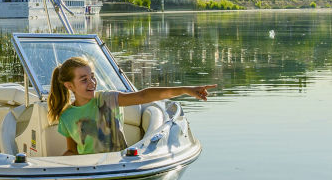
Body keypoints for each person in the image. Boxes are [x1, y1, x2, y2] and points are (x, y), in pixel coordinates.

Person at [47, 56, 216, 155]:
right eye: (84, 80)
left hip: (119, 165)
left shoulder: (107, 99)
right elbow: (73, 151)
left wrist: (186, 90)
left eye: (92, 76)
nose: (91, 82)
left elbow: (144, 95)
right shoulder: (66, 116)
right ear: (69, 86)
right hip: (91, 172)